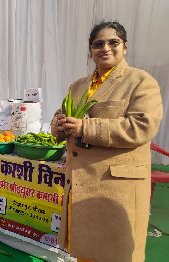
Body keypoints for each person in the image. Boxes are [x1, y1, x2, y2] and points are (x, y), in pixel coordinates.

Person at [51, 21, 163, 262]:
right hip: (81, 184)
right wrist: (58, 126)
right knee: (85, 251)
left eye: (113, 42)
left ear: (125, 47)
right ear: (90, 51)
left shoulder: (141, 81)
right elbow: (63, 117)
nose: (105, 48)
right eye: (97, 44)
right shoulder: (78, 86)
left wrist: (85, 127)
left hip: (116, 186)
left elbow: (142, 127)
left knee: (116, 253)